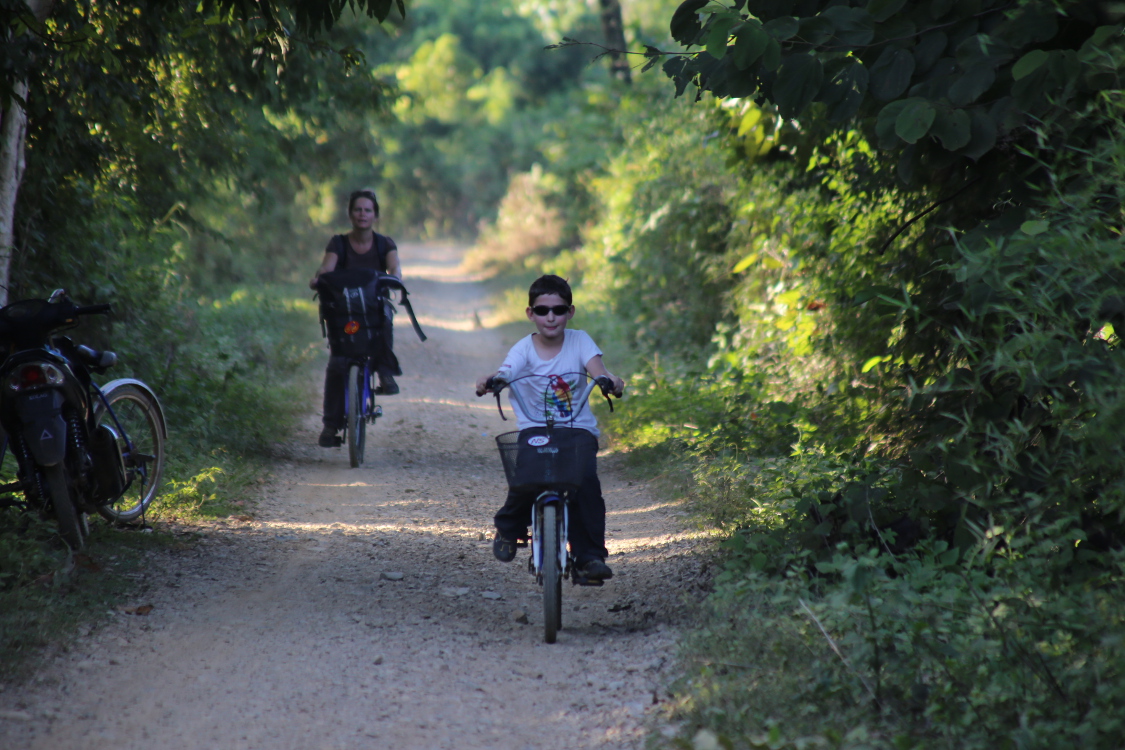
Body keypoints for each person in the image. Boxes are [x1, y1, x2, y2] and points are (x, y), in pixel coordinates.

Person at [475, 274, 625, 581]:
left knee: (586, 485)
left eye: (559, 309)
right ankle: (509, 529)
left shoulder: (580, 340)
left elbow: (598, 370)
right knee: (526, 476)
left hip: (577, 431)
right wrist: (493, 381)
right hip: (536, 430)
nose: (551, 317)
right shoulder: (523, 349)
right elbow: (507, 371)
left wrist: (609, 382)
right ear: (530, 313)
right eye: (542, 310)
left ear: (570, 312)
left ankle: (589, 557)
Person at [310, 188, 403, 448]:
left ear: (375, 215)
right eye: (358, 210)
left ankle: (384, 370)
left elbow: (394, 267)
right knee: (337, 363)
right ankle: (330, 426)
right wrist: (318, 278)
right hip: (345, 311)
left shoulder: (385, 243)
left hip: (372, 308)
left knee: (386, 316)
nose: (362, 214)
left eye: (367, 210)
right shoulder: (338, 243)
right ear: (350, 214)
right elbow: (327, 267)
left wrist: (396, 278)